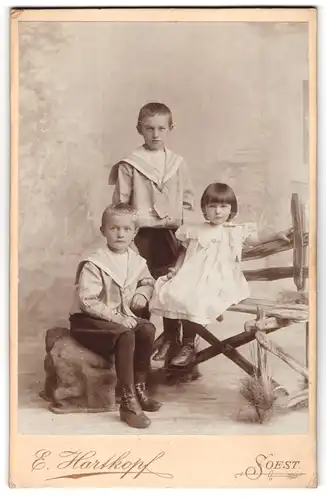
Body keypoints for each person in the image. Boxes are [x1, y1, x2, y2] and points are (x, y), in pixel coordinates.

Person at [149, 182, 292, 367]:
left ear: (231, 209)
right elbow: (184, 251)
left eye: (223, 206)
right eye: (212, 206)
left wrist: (276, 235)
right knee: (169, 290)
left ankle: (188, 345)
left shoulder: (235, 231)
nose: (218, 212)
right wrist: (177, 269)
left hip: (221, 278)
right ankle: (169, 339)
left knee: (195, 298)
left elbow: (255, 240)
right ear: (204, 209)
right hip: (193, 273)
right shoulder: (196, 229)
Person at [109, 102, 195, 362]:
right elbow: (120, 204)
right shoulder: (130, 164)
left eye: (161, 128)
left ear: (171, 128)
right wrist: (128, 234)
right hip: (142, 235)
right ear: (139, 129)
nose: (155, 134)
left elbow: (188, 200)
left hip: (172, 234)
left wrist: (186, 228)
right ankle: (140, 345)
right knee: (141, 286)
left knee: (172, 283)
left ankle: (171, 338)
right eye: (149, 129)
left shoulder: (177, 163)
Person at [69, 203, 162, 429]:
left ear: (134, 232)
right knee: (126, 335)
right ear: (103, 231)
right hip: (88, 320)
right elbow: (87, 301)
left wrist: (143, 292)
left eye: (126, 229)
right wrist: (118, 319)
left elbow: (148, 281)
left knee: (147, 329)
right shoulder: (95, 262)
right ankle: (128, 401)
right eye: (114, 228)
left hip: (120, 316)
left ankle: (139, 387)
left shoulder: (136, 260)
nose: (120, 234)